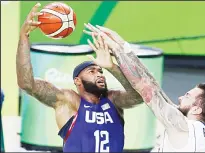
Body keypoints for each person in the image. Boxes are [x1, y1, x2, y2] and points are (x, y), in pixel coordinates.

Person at [16, 3, 143, 152]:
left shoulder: (114, 100)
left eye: (101, 71)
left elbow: (141, 95)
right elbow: (26, 84)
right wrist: (24, 37)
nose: (99, 74)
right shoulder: (69, 101)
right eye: (92, 71)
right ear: (77, 81)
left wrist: (113, 67)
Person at [83, 23, 205, 152]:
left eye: (187, 96)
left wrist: (116, 49)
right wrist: (123, 46)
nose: (181, 97)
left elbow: (145, 88)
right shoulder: (195, 129)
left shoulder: (181, 126)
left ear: (196, 109)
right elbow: (153, 85)